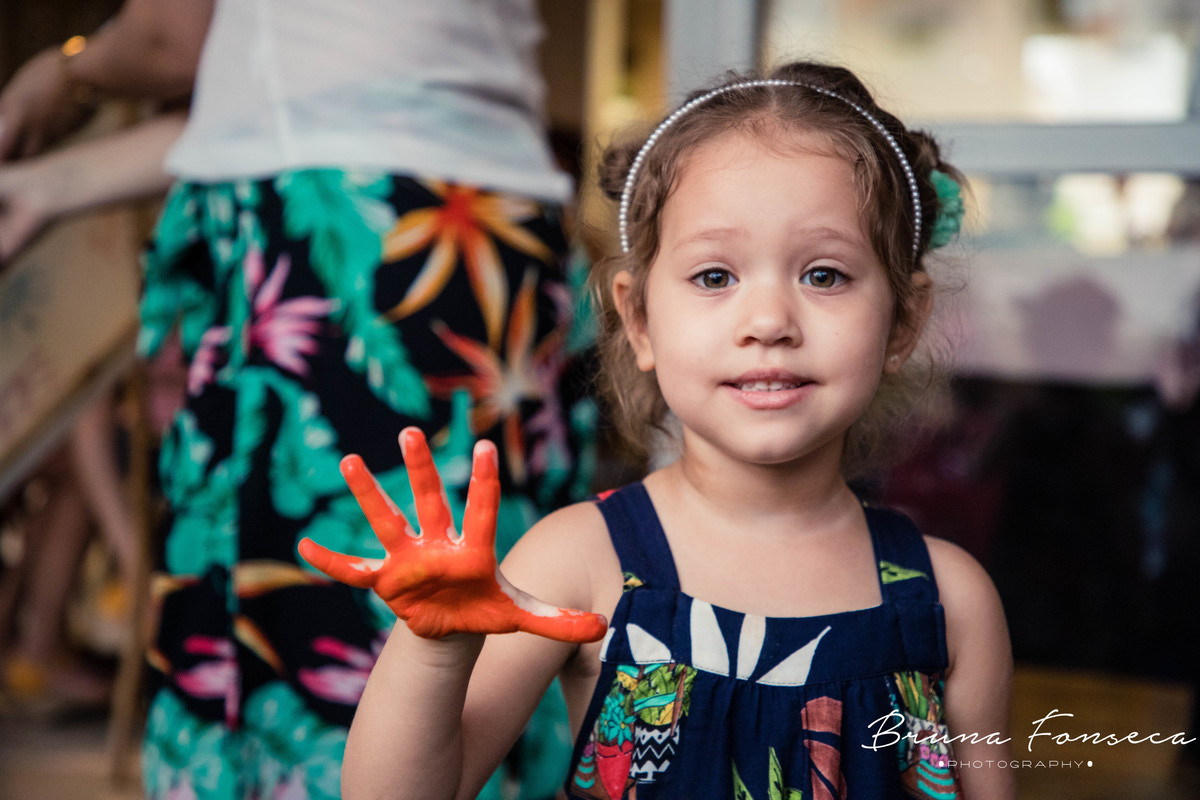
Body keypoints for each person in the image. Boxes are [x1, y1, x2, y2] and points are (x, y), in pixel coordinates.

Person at [299, 60, 1016, 800]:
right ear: (639, 319)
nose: (768, 321)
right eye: (715, 277)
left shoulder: (950, 602)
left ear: (903, 320)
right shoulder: (581, 562)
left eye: (824, 275)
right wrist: (434, 653)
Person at [0, 1, 597, 797]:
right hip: (480, 231)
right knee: (473, 609)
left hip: (346, 243)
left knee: (337, 623)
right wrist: (56, 181)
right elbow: (309, 97)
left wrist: (68, 72)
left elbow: (173, 37)